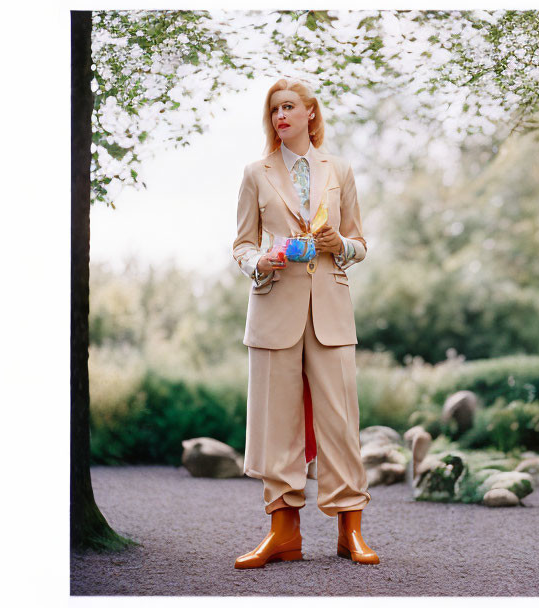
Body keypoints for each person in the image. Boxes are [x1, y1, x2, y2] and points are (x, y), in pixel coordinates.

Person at [231, 77, 378, 567]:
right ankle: (283, 535)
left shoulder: (340, 169)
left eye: (289, 107)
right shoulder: (255, 173)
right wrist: (259, 262)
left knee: (341, 421)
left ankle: (350, 531)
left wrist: (342, 246)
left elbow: (359, 244)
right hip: (273, 307)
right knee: (277, 423)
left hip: (331, 310)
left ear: (311, 113)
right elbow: (242, 245)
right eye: (274, 110)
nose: (280, 117)